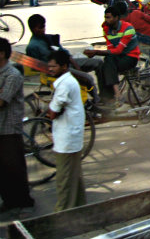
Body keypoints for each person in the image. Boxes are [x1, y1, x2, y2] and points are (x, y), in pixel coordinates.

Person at [26, 14, 102, 102]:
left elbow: (65, 53)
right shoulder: (32, 46)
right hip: (58, 71)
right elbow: (38, 67)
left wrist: (75, 65)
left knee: (98, 62)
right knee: (88, 78)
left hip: (67, 63)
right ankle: (97, 101)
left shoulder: (49, 38)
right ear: (34, 29)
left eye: (44, 26)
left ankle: (105, 94)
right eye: (41, 27)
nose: (43, 29)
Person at [46, 50, 86, 211]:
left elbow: (53, 112)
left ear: (63, 66)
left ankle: (62, 214)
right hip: (70, 135)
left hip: (67, 138)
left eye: (53, 66)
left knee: (64, 180)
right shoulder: (67, 82)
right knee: (74, 176)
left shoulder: (65, 85)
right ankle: (80, 209)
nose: (50, 69)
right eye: (49, 66)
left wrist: (51, 110)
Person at [0, 38, 35, 217]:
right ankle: (9, 200)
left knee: (14, 166)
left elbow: (2, 101)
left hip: (9, 127)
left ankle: (23, 201)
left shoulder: (12, 75)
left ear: (3, 54)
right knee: (3, 169)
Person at [83, 6, 140, 108]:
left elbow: (118, 50)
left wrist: (96, 52)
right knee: (102, 65)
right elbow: (110, 48)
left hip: (130, 57)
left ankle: (116, 94)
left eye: (109, 17)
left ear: (117, 17)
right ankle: (106, 96)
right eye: (105, 17)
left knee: (108, 61)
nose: (107, 20)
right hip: (117, 58)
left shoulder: (128, 28)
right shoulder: (106, 29)